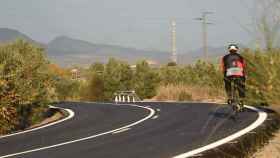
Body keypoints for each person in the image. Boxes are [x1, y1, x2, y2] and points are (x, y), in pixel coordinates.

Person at [221, 44, 246, 109]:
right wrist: (244, 76)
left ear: (229, 50)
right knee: (241, 86)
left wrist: (224, 76)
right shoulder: (241, 57)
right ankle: (241, 100)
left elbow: (223, 68)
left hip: (229, 73)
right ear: (236, 50)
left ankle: (229, 97)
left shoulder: (225, 57)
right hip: (239, 73)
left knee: (227, 84)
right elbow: (244, 67)